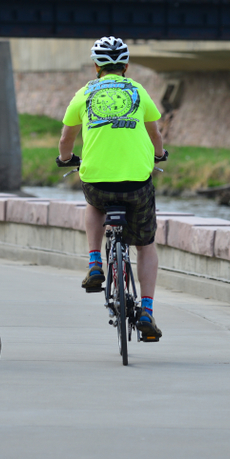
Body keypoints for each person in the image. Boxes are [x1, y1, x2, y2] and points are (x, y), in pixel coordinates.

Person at [57, 37, 168, 342]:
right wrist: (159, 155)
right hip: (137, 182)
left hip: (98, 182)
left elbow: (67, 139)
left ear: (96, 66)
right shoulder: (137, 90)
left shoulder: (84, 93)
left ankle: (95, 262)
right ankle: (146, 310)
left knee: (94, 204)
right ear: (126, 66)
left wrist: (65, 159)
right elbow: (154, 133)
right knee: (145, 244)